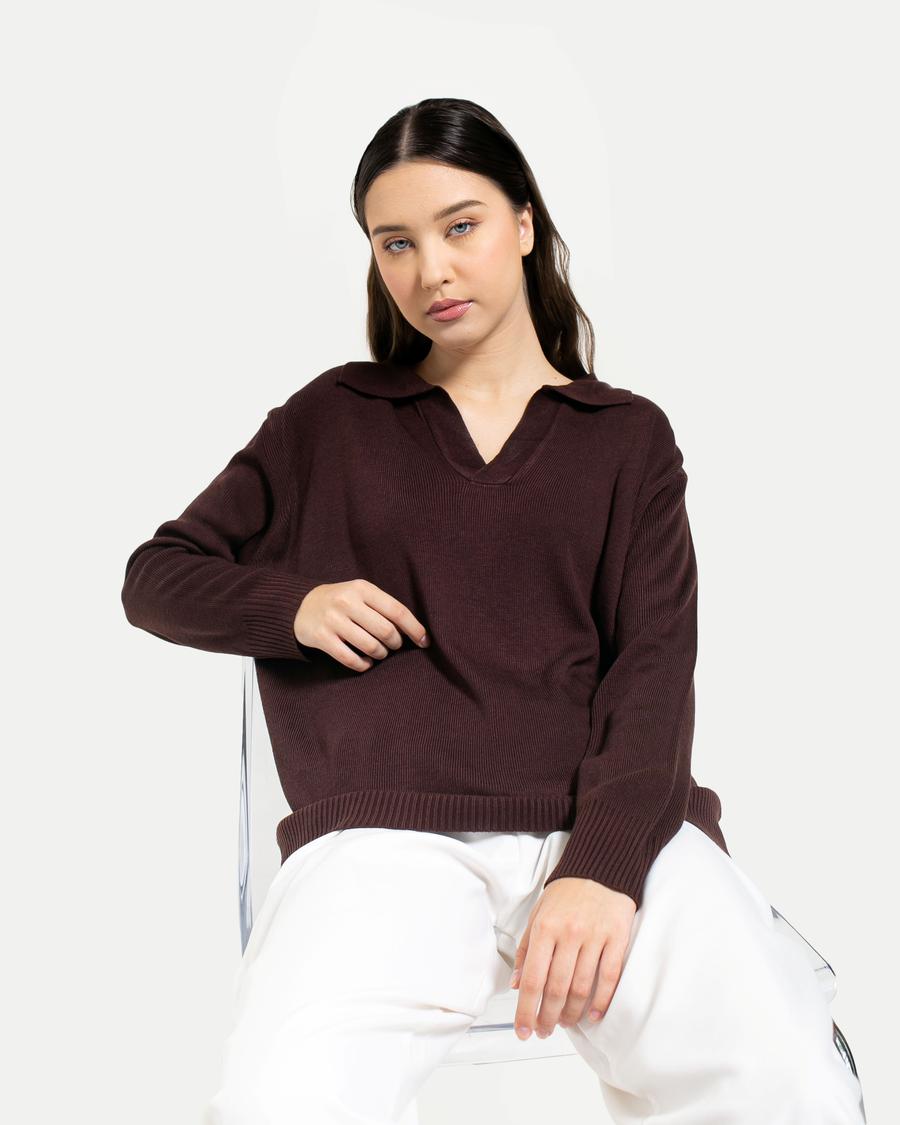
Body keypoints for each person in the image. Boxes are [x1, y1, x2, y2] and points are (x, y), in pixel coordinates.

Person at [121, 97, 866, 1124]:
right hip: (386, 838)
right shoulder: (330, 420)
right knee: (286, 1100)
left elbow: (653, 672)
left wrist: (603, 870)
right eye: (396, 243)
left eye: (459, 226)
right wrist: (292, 605)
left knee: (792, 1087)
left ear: (524, 222)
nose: (430, 270)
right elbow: (157, 576)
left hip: (610, 829)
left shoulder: (626, 439)